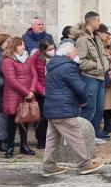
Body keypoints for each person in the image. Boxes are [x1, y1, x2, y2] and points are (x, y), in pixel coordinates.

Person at [41, 42, 104, 176]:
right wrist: (83, 101)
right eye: (75, 52)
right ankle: (85, 164)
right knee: (75, 136)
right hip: (64, 108)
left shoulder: (53, 65)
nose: (77, 55)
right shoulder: (67, 67)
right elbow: (79, 87)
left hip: (53, 107)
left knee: (52, 139)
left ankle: (48, 166)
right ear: (69, 54)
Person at [1, 36, 38, 158]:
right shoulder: (8, 60)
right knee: (12, 122)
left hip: (28, 95)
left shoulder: (28, 59)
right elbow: (11, 80)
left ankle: (24, 145)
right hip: (14, 95)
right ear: (14, 47)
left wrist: (31, 90)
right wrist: (26, 92)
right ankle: (10, 146)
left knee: (25, 120)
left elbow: (34, 75)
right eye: (21, 45)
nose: (24, 47)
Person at [76, 12, 109, 141]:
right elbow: (80, 60)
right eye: (98, 21)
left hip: (100, 76)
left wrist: (104, 66)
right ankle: (81, 136)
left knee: (99, 108)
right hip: (89, 77)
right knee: (90, 107)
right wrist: (96, 66)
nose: (99, 23)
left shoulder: (96, 37)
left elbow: (103, 55)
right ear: (91, 21)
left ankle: (95, 132)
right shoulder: (82, 39)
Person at [26, 39, 55, 149]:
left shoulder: (56, 57)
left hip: (53, 90)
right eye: (49, 49)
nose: (52, 51)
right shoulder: (35, 57)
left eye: (53, 48)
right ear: (43, 50)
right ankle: (41, 140)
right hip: (41, 92)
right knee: (41, 118)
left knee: (51, 117)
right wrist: (41, 90)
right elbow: (34, 76)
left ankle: (50, 140)